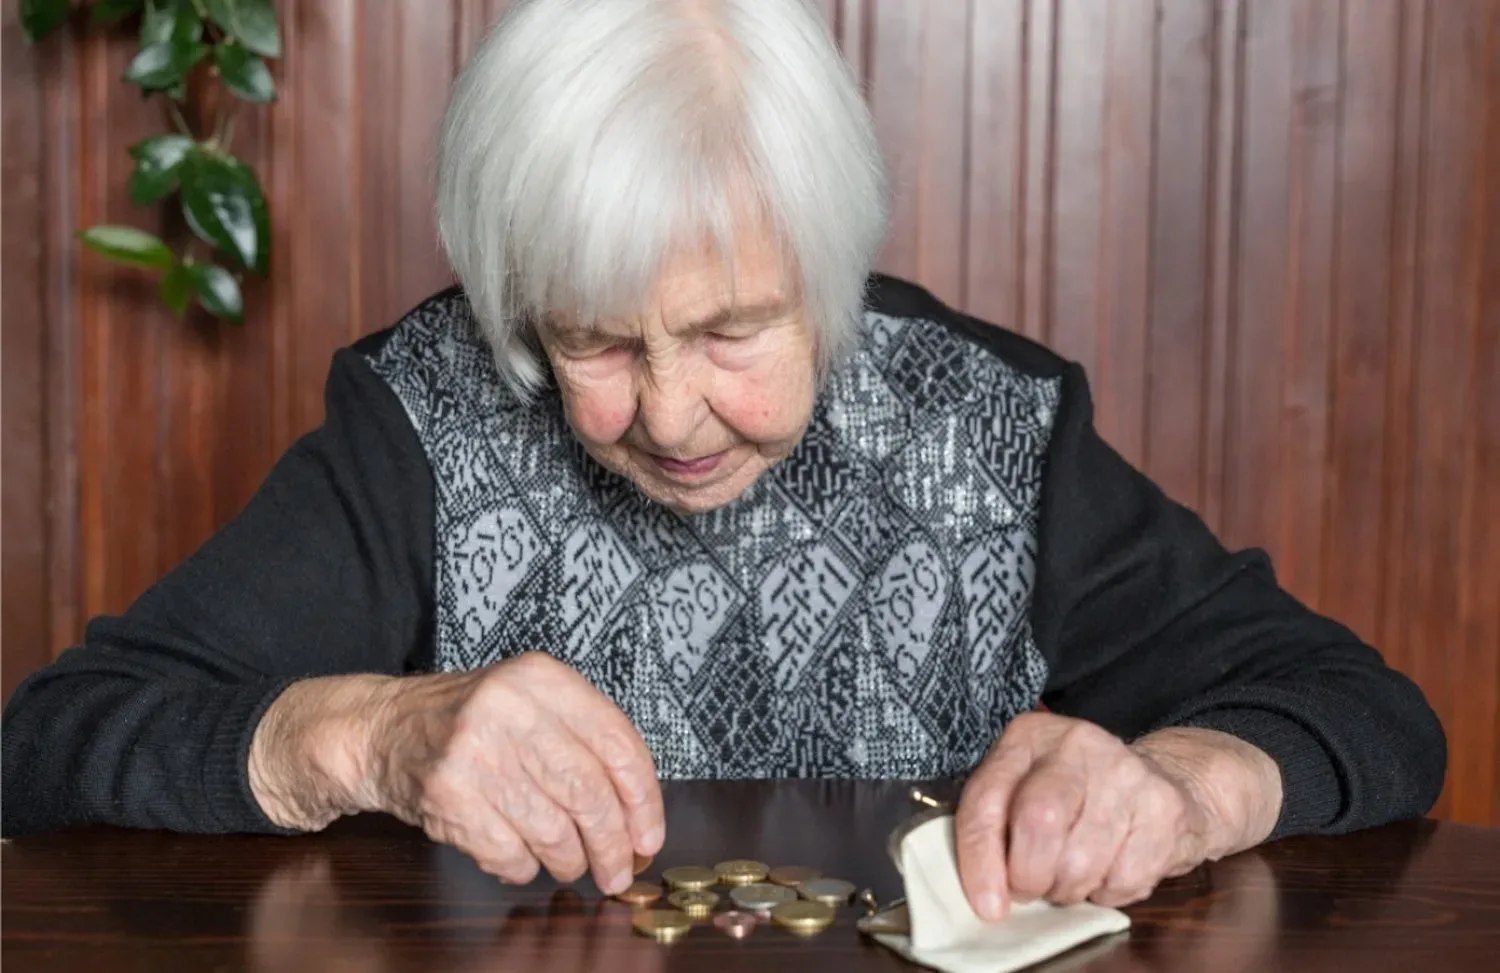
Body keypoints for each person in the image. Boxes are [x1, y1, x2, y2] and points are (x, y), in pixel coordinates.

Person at [1, 0, 1444, 922]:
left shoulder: (988, 424)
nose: (677, 419)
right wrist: (367, 735)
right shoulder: (420, 417)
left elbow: (1362, 711)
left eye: (736, 330)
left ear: (827, 275)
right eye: (596, 345)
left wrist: (1183, 787)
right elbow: (52, 744)